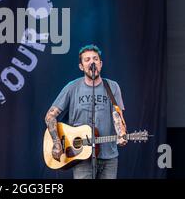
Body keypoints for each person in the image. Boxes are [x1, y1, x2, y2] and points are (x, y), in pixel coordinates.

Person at [44, 44, 127, 179]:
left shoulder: (112, 86)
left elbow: (117, 115)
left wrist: (122, 133)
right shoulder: (72, 88)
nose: (92, 62)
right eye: (87, 59)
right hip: (81, 155)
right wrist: (56, 142)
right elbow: (50, 116)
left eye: (95, 59)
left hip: (109, 156)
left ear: (100, 64)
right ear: (81, 66)